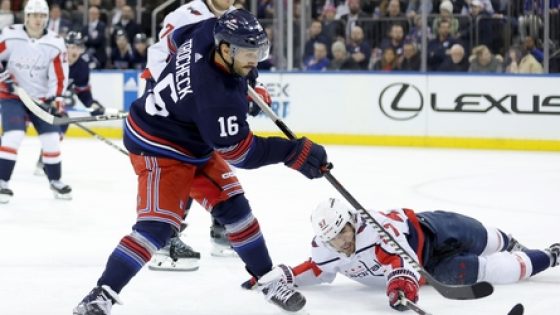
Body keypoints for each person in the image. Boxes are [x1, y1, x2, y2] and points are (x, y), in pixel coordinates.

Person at [72, 9, 329, 315]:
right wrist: (292, 152)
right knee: (157, 227)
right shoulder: (216, 99)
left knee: (236, 209)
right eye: (248, 53)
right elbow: (242, 154)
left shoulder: (209, 28)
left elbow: (176, 40)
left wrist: (253, 83)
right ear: (224, 49)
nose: (255, 60)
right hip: (157, 145)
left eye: (258, 51)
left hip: (192, 137)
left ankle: (267, 280)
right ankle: (101, 294)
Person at [243, 198, 559, 312]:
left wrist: (400, 289)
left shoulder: (376, 230)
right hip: (433, 267)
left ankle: (511, 241)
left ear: (352, 222)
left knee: (484, 237)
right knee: (488, 270)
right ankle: (550, 256)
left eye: (342, 233)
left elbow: (399, 263)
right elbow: (315, 269)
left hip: (431, 228)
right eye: (332, 239)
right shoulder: (325, 247)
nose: (340, 243)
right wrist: (282, 276)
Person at [141, 0, 239, 271]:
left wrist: (253, 85)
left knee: (217, 164)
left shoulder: (236, 17)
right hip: (180, 108)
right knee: (182, 170)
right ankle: (165, 236)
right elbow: (159, 58)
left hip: (213, 105)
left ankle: (221, 231)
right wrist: (167, 95)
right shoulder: (185, 14)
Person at [0, 0, 71, 203]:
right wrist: (4, 78)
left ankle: (56, 181)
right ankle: (2, 182)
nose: (38, 20)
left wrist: (55, 98)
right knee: (13, 135)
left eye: (42, 16)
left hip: (40, 100)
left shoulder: (55, 43)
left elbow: (59, 75)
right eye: (34, 15)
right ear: (26, 16)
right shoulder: (11, 34)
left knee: (51, 140)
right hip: (13, 96)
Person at [34, 31, 106, 176]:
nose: (74, 50)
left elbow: (83, 92)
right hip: (36, 98)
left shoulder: (82, 67)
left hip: (54, 103)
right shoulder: (53, 59)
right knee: (16, 126)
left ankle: (44, 158)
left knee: (62, 121)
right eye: (70, 46)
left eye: (77, 47)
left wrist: (92, 105)